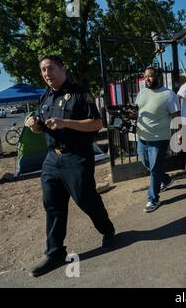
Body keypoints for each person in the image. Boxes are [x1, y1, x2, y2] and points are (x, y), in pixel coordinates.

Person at [25, 55, 115, 277]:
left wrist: (66, 122)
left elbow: (96, 123)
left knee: (85, 198)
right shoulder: (44, 97)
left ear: (63, 69)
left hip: (76, 157)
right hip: (51, 160)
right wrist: (33, 125)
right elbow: (40, 128)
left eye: (51, 68)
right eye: (43, 70)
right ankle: (55, 253)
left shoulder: (79, 93)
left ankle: (107, 229)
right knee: (52, 205)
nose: (47, 73)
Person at [134, 66, 180, 213]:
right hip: (142, 136)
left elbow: (176, 116)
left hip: (159, 137)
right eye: (145, 76)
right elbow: (138, 110)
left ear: (158, 77)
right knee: (145, 162)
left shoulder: (168, 94)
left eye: (150, 76)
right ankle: (166, 179)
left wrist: (179, 134)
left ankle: (152, 199)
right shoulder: (142, 93)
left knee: (154, 168)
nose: (146, 79)